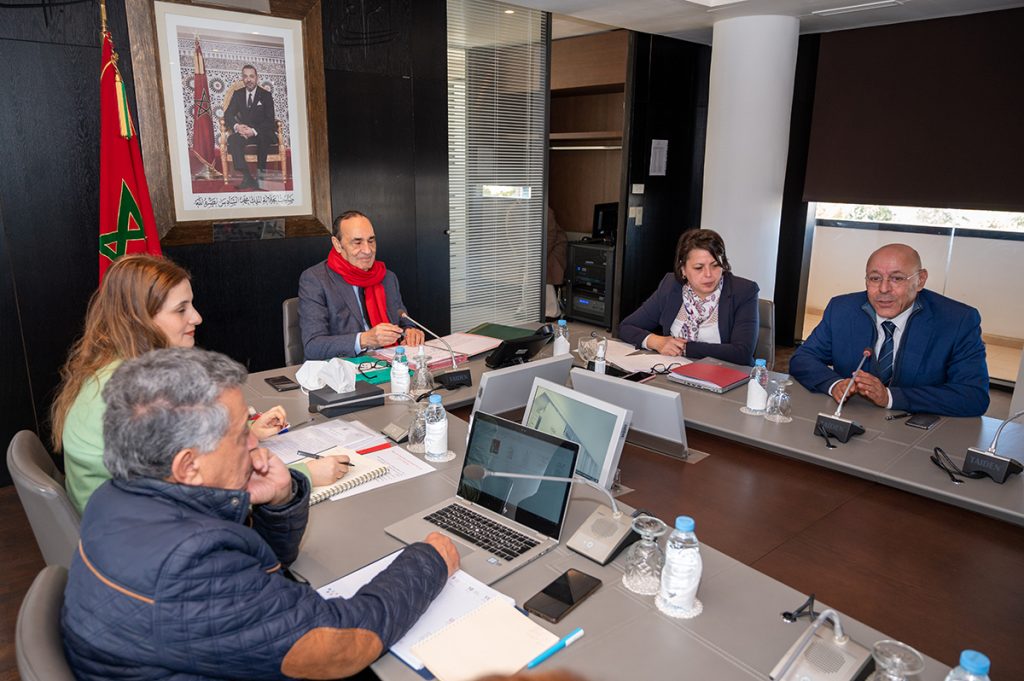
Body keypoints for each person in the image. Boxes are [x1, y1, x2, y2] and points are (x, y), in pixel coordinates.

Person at [61, 348, 459, 681]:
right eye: (241, 435)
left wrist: (280, 501)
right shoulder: (189, 567)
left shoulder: (116, 498)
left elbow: (257, 572)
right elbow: (339, 646)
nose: (255, 443)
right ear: (188, 466)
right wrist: (428, 563)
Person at [51, 255, 346, 515]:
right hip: (144, 532)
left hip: (111, 522)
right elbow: (210, 489)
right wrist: (303, 474)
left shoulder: (109, 369)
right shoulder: (144, 393)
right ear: (140, 319)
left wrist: (245, 433)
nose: (197, 317)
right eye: (181, 309)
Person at [790, 243, 989, 417]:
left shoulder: (957, 320)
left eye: (897, 279)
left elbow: (973, 396)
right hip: (849, 417)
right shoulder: (842, 309)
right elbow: (803, 359)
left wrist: (890, 397)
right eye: (875, 278)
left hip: (915, 432)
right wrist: (835, 384)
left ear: (920, 280)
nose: (884, 289)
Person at [618, 229, 759, 366]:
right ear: (683, 269)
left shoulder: (744, 291)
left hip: (725, 373)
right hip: (674, 370)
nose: (708, 274)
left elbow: (742, 353)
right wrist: (657, 342)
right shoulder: (670, 286)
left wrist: (684, 348)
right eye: (698, 267)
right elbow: (626, 327)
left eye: (715, 265)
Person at [299, 210, 425, 359]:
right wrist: (364, 340)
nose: (367, 250)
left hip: (389, 362)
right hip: (343, 367)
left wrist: (410, 332)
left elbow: (404, 321)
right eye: (357, 242)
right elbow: (313, 346)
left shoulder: (387, 278)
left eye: (371, 241)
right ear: (337, 244)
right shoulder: (315, 280)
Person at [222, 64, 276, 190]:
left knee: (264, 139)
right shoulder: (238, 94)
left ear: (257, 78)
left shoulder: (266, 95)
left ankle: (260, 179)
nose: (248, 79)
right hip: (244, 132)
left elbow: (270, 120)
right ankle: (247, 177)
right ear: (242, 78)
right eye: (245, 76)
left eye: (251, 76)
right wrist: (237, 127)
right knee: (233, 140)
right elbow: (228, 114)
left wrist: (253, 131)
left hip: (261, 132)